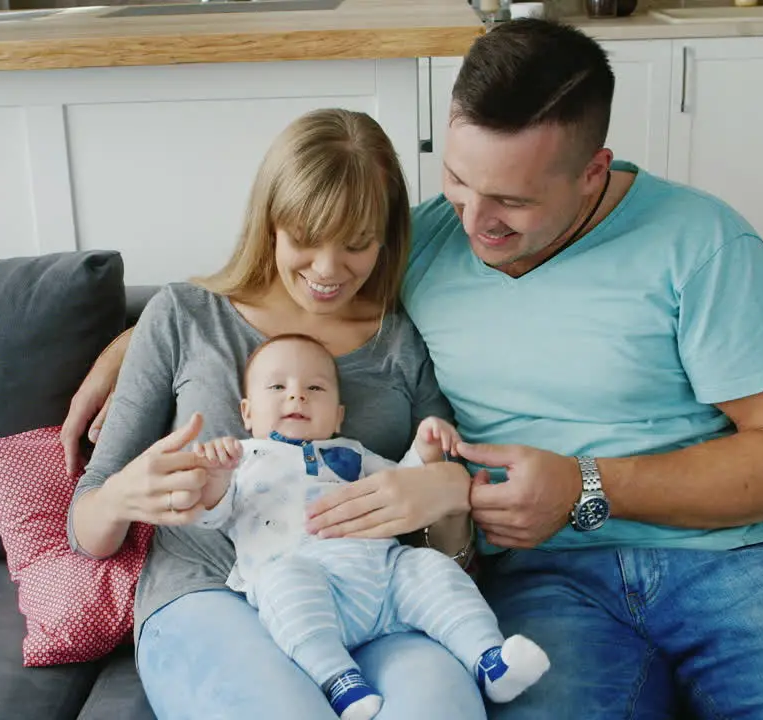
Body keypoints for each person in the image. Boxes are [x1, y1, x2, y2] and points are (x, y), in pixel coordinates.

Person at [64, 18, 763, 720]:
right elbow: (273, 285)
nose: (474, 220)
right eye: (457, 180)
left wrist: (586, 486)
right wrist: (125, 347)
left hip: (746, 568)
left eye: (513, 201)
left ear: (592, 171)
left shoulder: (702, 244)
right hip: (551, 584)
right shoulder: (421, 244)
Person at [65, 107, 492, 719]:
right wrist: (122, 498)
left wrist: (445, 496)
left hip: (373, 603)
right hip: (210, 595)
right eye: (305, 239)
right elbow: (87, 524)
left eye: (356, 244)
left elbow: (451, 547)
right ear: (269, 224)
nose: (327, 270)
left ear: (388, 236)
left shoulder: (401, 341)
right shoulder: (185, 317)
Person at [189, 333, 549, 720]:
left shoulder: (354, 453)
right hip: (308, 578)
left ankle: (489, 660)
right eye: (277, 387)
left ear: (339, 415)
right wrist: (213, 477)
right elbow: (212, 514)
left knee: (433, 571)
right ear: (246, 412)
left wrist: (426, 449)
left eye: (315, 387)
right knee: (282, 585)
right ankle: (339, 680)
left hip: (385, 573)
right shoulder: (241, 458)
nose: (297, 396)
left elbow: (403, 485)